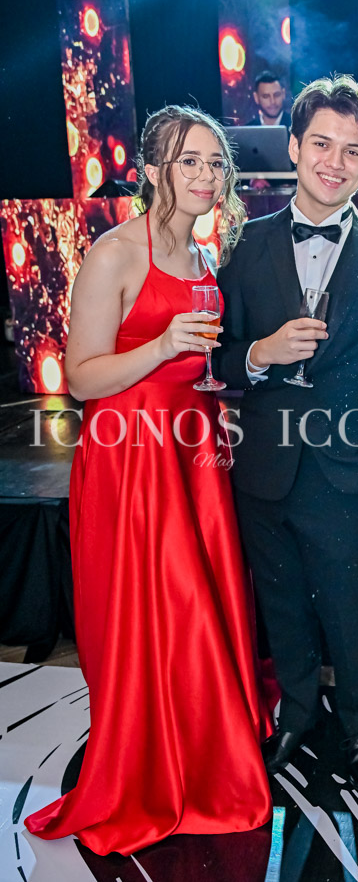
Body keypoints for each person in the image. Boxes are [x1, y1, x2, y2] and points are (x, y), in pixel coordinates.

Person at [24, 106, 273, 854]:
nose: (206, 175)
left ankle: (204, 748)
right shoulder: (114, 253)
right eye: (188, 161)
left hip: (192, 448)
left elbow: (198, 364)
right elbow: (81, 377)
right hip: (131, 456)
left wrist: (215, 398)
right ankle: (152, 765)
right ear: (153, 170)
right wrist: (163, 346)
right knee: (158, 609)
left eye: (215, 163)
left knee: (200, 600)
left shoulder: (202, 251)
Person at [212, 75, 358, 792]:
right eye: (321, 144)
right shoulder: (244, 245)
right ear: (293, 147)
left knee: (350, 604)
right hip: (264, 461)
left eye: (352, 151)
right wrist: (260, 354)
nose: (335, 161)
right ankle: (296, 713)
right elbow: (216, 356)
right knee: (283, 602)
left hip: (345, 465)